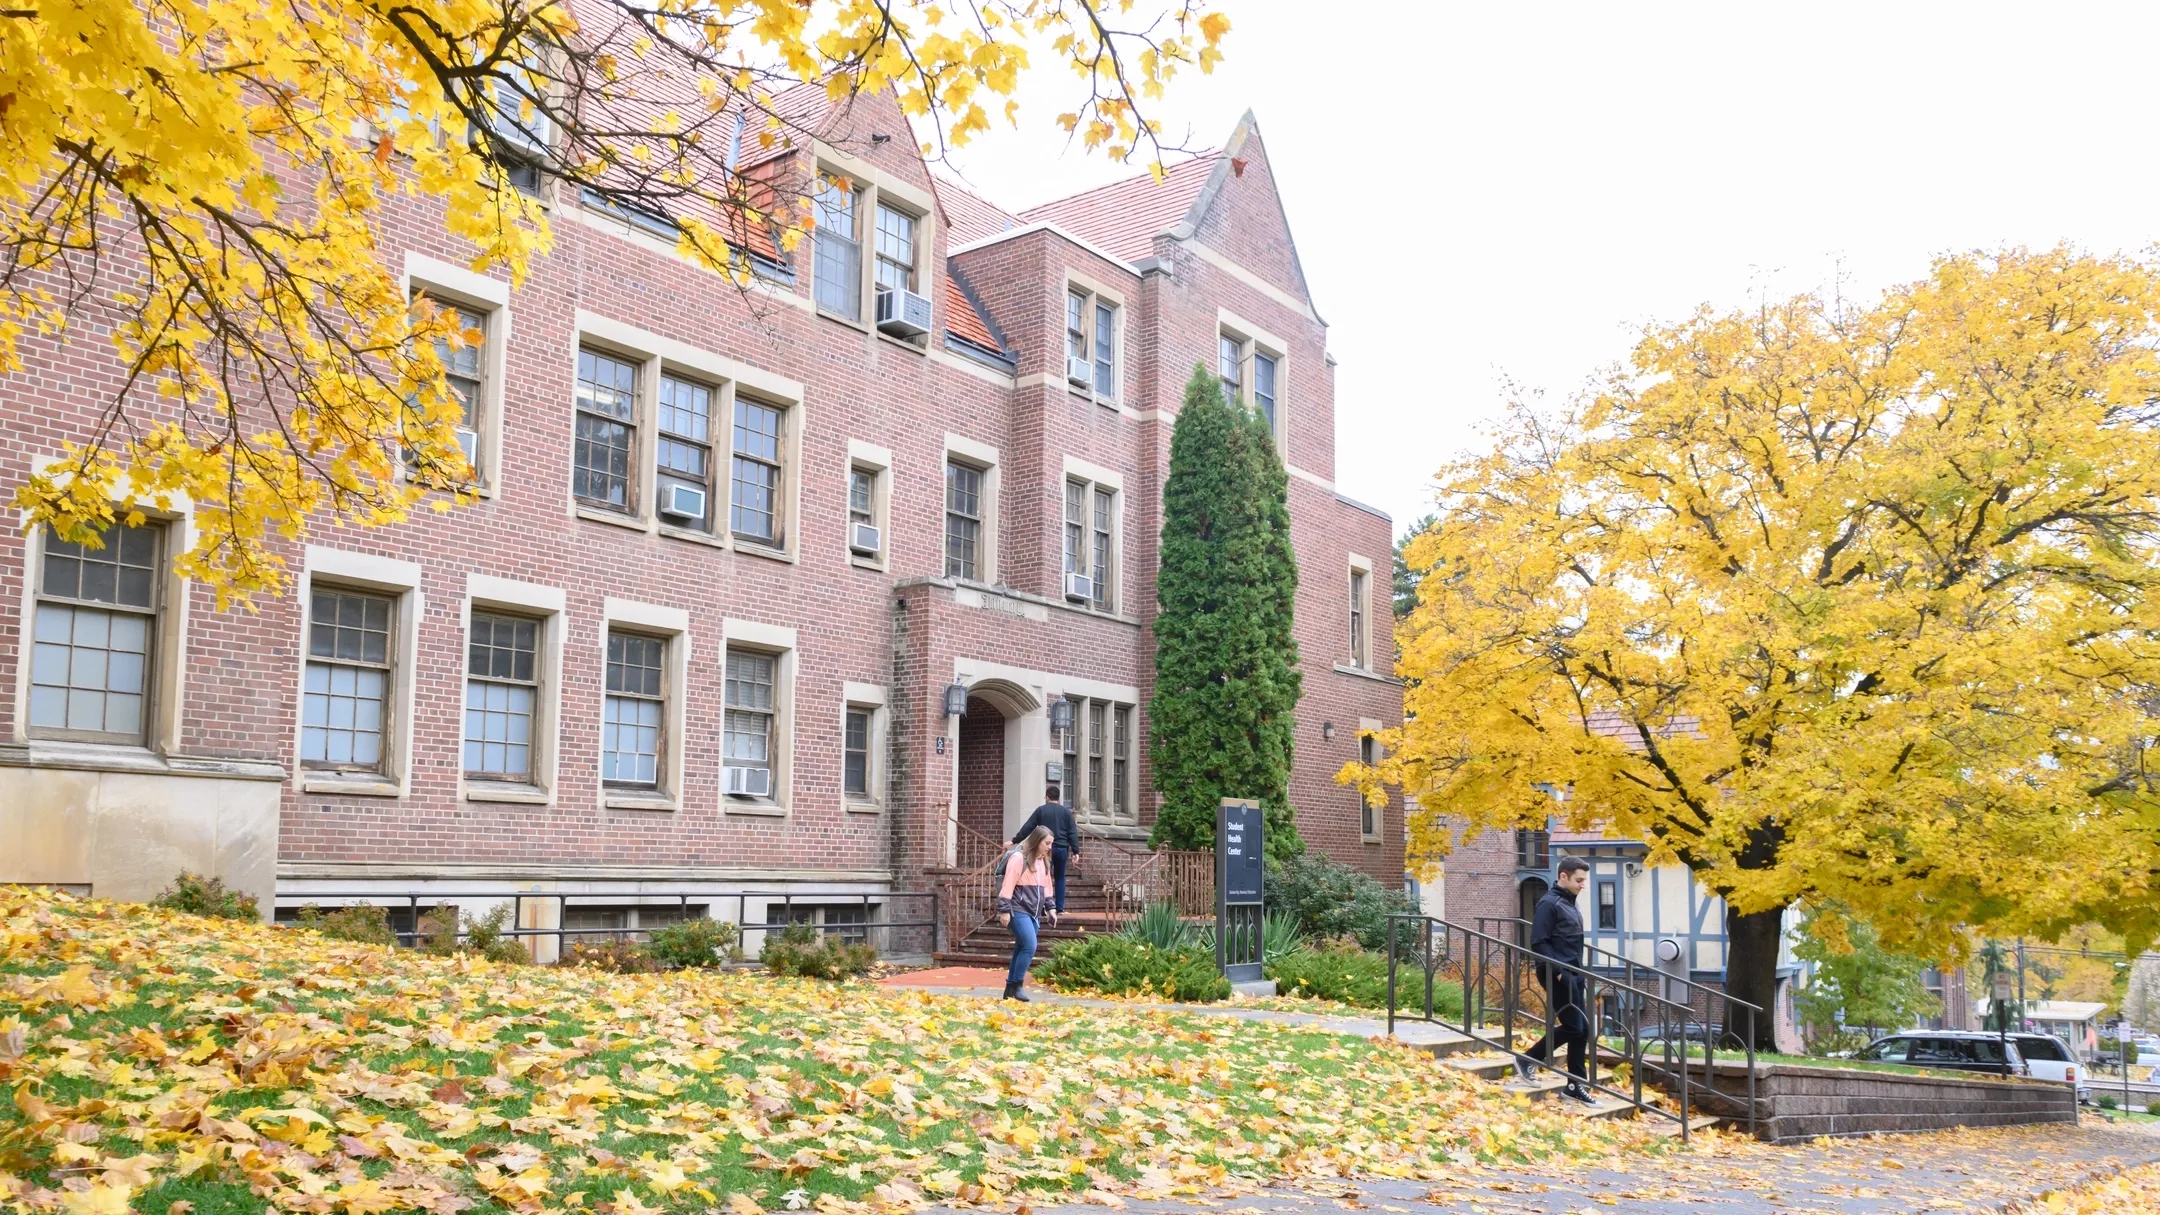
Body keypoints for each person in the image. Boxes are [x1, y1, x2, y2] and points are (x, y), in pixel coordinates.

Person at [1520, 855, 1596, 1104]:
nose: (1582, 885)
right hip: (1557, 973)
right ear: (1563, 876)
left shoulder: (1570, 903)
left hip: (1574, 972)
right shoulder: (1549, 903)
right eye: (1579, 880)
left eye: (1583, 880)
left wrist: (1575, 972)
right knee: (1574, 1027)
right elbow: (1539, 942)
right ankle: (1527, 1059)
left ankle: (1574, 1085)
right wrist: (1559, 972)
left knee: (1582, 1029)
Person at [996, 825, 1058, 1001]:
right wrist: (1004, 911)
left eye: (1051, 843)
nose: (1049, 847)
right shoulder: (1018, 859)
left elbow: (1047, 889)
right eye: (1047, 843)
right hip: (1017, 909)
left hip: (1033, 912)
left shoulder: (1043, 861)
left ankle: (1010, 988)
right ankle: (1017, 985)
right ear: (1037, 841)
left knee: (1021, 947)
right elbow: (1007, 885)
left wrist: (1051, 909)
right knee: (1030, 946)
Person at [1010, 785, 1081, 913]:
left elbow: (1029, 826)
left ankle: (1043, 907)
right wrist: (1076, 851)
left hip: (1046, 849)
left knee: (1043, 876)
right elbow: (1072, 832)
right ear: (1058, 798)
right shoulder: (1066, 812)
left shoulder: (1041, 810)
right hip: (1062, 849)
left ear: (1047, 797)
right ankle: (1059, 908)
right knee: (1060, 878)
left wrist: (1015, 840)